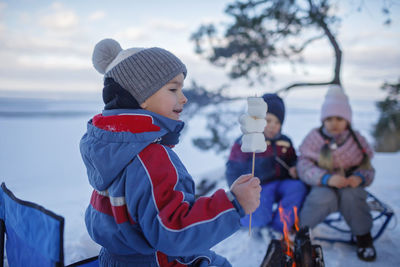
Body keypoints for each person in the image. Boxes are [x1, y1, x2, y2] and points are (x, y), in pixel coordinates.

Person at [80, 38, 261, 267]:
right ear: (141, 97)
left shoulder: (111, 148)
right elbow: (173, 231)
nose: (184, 98)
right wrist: (234, 203)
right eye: (173, 89)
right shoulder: (150, 156)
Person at [297, 84, 376, 262]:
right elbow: (303, 165)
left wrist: (360, 177)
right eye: (329, 118)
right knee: (320, 198)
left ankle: (363, 237)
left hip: (349, 184)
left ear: (347, 119)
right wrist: (326, 178)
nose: (334, 123)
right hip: (323, 183)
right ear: (323, 119)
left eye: (339, 118)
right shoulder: (315, 138)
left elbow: (368, 168)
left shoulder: (356, 139)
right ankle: (301, 231)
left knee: (354, 197)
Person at [225, 93, 308, 235]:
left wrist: (294, 167)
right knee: (259, 216)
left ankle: (279, 226)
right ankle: (239, 219)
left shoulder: (285, 141)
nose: (272, 126)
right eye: (268, 120)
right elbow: (232, 169)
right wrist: (239, 191)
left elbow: (292, 159)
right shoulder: (246, 141)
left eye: (277, 123)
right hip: (258, 187)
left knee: (297, 188)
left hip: (281, 183)